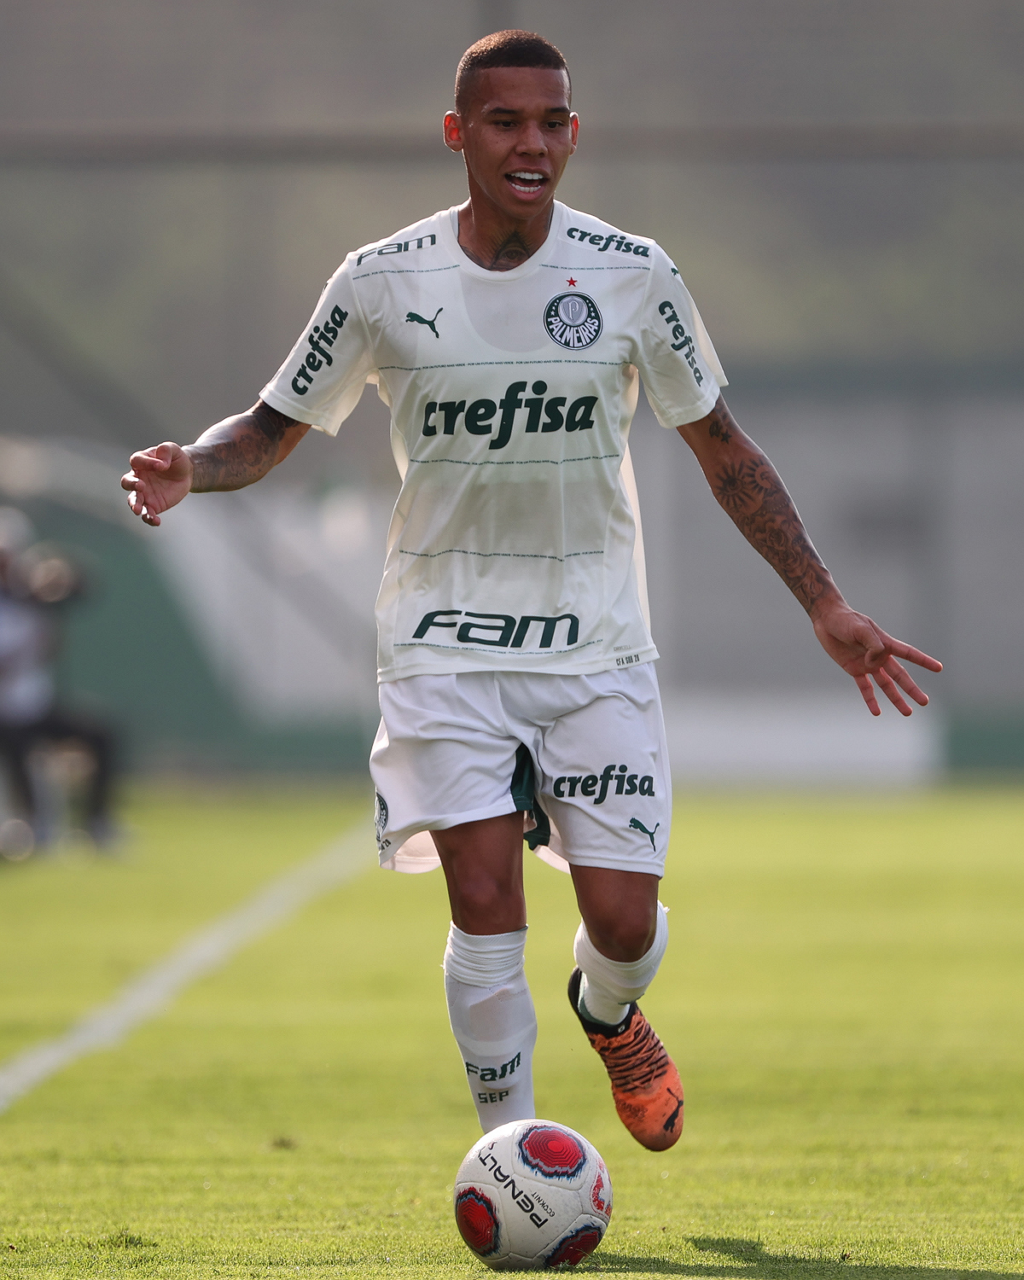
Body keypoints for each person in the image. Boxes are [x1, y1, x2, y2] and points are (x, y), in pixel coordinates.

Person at [121, 31, 941, 1152]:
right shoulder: (379, 279)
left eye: (551, 123)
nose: (531, 144)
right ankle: (514, 1159)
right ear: (457, 134)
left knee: (624, 923)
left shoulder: (632, 273)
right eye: (504, 122)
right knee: (483, 899)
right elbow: (267, 428)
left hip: (594, 641)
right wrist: (195, 468)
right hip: (441, 638)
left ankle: (607, 1011)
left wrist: (824, 601)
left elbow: (726, 452)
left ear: (573, 134)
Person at [0, 508, 117, 853]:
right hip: (6, 712)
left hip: (34, 705)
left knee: (101, 735)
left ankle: (95, 824)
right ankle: (30, 824)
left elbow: (78, 586)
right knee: (16, 746)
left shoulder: (30, 594)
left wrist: (57, 577)